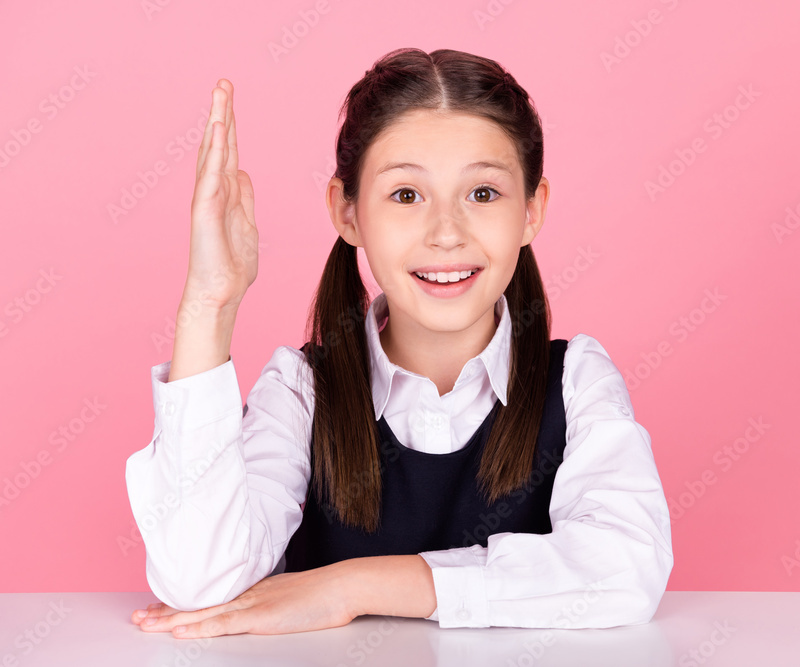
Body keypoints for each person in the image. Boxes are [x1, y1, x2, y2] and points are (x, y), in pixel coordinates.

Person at [125, 47, 673, 639]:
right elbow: (197, 581)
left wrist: (352, 586)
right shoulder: (302, 390)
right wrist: (210, 303)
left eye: (483, 194)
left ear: (532, 211)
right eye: (406, 195)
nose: (445, 233)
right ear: (348, 212)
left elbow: (625, 567)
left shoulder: (576, 381)